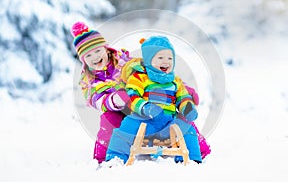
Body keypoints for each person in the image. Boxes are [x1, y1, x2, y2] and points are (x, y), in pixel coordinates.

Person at [105, 36, 203, 165]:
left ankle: (192, 158)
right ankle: (116, 158)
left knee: (188, 129)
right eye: (160, 57)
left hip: (168, 122)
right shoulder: (140, 77)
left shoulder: (175, 81)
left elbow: (183, 97)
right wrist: (145, 107)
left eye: (170, 58)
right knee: (126, 127)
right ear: (149, 60)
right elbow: (132, 95)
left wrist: (187, 107)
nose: (166, 61)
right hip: (143, 120)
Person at [71, 22, 131, 164]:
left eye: (98, 51)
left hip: (136, 101)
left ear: (106, 49)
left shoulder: (123, 62)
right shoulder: (89, 80)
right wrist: (114, 101)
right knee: (109, 120)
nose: (95, 57)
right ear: (83, 60)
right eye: (88, 55)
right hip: (114, 109)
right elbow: (96, 100)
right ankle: (103, 158)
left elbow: (138, 74)